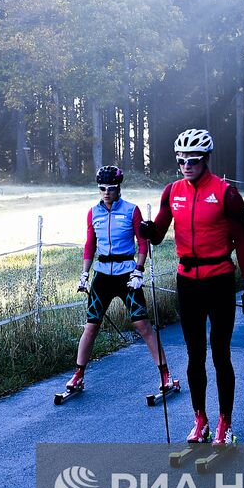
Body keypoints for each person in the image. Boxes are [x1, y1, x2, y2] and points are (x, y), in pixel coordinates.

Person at [139, 129, 244, 446]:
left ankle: (224, 425)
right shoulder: (172, 191)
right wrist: (147, 230)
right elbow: (159, 235)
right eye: (180, 161)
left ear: (205, 159)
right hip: (187, 281)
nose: (186, 166)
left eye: (192, 160)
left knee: (220, 354)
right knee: (194, 357)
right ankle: (200, 420)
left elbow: (242, 243)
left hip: (219, 279)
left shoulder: (226, 193)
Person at [65, 165, 173, 396]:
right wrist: (84, 274)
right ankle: (78, 374)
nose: (106, 192)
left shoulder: (131, 210)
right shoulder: (93, 212)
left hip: (127, 274)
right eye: (102, 188)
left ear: (118, 188)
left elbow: (142, 243)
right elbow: (90, 245)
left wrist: (139, 271)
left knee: (143, 326)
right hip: (102, 275)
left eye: (111, 188)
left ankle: (165, 374)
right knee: (91, 327)